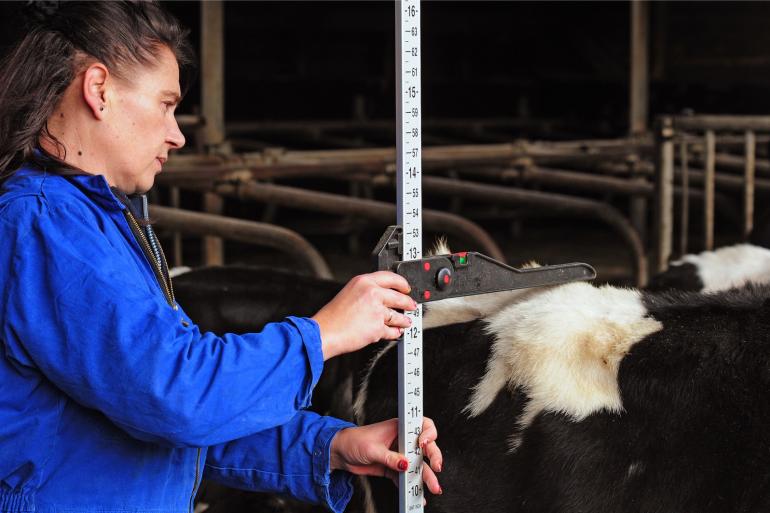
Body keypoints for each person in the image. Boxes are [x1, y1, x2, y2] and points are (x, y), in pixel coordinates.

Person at [0, 2, 442, 512]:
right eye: (166, 104)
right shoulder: (45, 224)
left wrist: (329, 448)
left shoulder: (93, 222)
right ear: (98, 89)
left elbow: (152, 426)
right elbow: (175, 397)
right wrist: (323, 335)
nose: (178, 134)